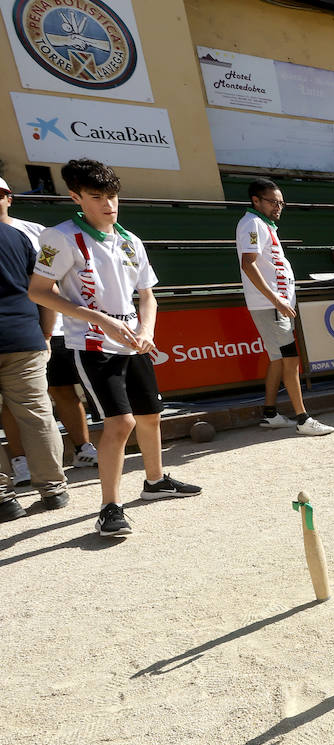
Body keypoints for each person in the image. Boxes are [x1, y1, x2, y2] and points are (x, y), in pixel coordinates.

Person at [28, 159, 201, 537]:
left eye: (112, 196)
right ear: (76, 197)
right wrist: (101, 320)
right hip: (91, 344)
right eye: (97, 197)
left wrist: (147, 330)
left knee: (150, 415)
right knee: (119, 422)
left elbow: (148, 295)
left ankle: (154, 482)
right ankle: (109, 507)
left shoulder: (130, 240)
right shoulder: (58, 237)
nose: (108, 204)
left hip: (133, 343)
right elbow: (39, 291)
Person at [0, 177, 97, 481]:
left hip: (46, 330)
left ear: (10, 197)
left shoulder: (35, 232)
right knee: (15, 405)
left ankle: (83, 448)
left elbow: (55, 281)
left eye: (0, 194)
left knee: (61, 391)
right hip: (27, 333)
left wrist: (48, 327)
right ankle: (21, 463)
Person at [237, 178, 334, 436]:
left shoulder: (263, 224)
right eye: (272, 202)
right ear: (255, 200)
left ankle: (270, 414)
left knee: (279, 360)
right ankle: (303, 419)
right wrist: (276, 299)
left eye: (281, 202)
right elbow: (249, 264)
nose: (278, 207)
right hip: (271, 307)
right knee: (290, 360)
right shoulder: (253, 223)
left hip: (276, 305)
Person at [0, 196, 69, 521]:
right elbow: (45, 289)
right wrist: (44, 334)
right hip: (24, 336)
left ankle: (3, 497)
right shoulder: (16, 236)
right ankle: (53, 489)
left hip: (23, 336)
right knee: (38, 415)